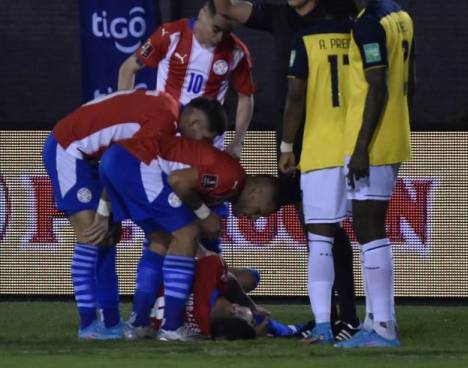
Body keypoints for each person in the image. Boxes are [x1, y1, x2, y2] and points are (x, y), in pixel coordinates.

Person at [205, 0, 360, 340]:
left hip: (325, 139)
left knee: (326, 229)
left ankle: (345, 319)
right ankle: (330, 318)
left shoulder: (336, 22)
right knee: (316, 229)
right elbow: (225, 6)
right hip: (291, 138)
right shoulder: (282, 17)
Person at [42, 89, 221, 340]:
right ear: (194, 123)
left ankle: (112, 322)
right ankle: (87, 325)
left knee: (106, 240)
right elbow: (113, 163)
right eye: (204, 138)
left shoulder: (169, 105)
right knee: (91, 235)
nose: (203, 146)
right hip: (69, 150)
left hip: (90, 155)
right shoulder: (163, 123)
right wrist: (104, 212)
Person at [98, 132, 280, 341]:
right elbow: (178, 180)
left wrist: (104, 211)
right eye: (259, 211)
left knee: (160, 239)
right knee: (188, 233)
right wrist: (204, 214)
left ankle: (139, 324)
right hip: (137, 162)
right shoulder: (232, 179)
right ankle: (172, 327)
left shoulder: (226, 186)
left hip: (117, 159)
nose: (254, 218)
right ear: (256, 192)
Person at [334, 0, 415, 349]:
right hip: (393, 133)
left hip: (372, 139)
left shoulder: (367, 25)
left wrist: (362, 146)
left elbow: (377, 85)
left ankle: (383, 327)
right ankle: (373, 320)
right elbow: (407, 83)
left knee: (368, 228)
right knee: (367, 227)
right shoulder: (400, 14)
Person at [278, 0, 358, 344]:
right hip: (361, 147)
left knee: (321, 238)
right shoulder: (362, 31)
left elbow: (296, 99)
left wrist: (287, 146)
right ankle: (371, 323)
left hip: (322, 147)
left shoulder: (305, 38)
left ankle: (325, 325)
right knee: (373, 237)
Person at [117, 0, 255, 157]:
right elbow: (127, 69)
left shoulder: (237, 52)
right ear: (202, 14)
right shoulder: (169, 35)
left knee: (215, 179)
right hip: (166, 131)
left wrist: (238, 141)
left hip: (207, 138)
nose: (220, 38)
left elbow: (245, 97)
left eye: (227, 32)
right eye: (216, 29)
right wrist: (126, 122)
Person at [139, 245, 302, 340]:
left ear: (235, 308)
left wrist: (251, 307)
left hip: (159, 269)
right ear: (234, 308)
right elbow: (256, 325)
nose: (255, 317)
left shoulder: (208, 281)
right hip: (152, 307)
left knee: (251, 277)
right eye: (253, 320)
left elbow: (190, 246)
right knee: (252, 278)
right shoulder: (203, 331)